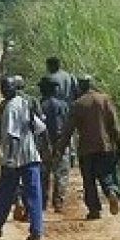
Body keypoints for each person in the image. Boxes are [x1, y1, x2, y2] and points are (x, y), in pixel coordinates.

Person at [0, 76, 45, 240]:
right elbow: (40, 127)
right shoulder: (26, 102)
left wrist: (9, 157)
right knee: (34, 195)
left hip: (15, 159)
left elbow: (12, 136)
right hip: (31, 156)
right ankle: (36, 231)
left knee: (3, 193)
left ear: (6, 90)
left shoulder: (10, 107)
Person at [55, 74, 120, 220]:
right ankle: (111, 190)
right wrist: (119, 145)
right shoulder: (105, 99)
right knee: (106, 174)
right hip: (106, 147)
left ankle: (94, 210)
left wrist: (60, 150)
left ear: (80, 87)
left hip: (86, 149)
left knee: (89, 180)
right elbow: (115, 126)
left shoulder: (78, 104)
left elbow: (68, 130)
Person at [38, 77, 70, 213]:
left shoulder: (39, 104)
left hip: (43, 143)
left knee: (43, 174)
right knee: (61, 174)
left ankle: (43, 203)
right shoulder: (63, 105)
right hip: (60, 142)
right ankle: (58, 203)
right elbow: (68, 125)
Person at [45, 56, 79, 168]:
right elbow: (76, 92)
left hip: (55, 109)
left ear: (51, 65)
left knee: (58, 132)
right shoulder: (69, 76)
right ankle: (72, 153)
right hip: (69, 107)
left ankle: (57, 155)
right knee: (70, 131)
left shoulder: (51, 78)